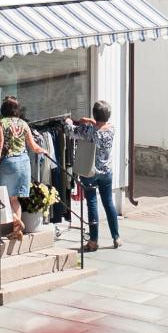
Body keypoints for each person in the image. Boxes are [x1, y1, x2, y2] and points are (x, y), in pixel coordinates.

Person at [0, 96, 47, 239]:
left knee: (4, 197)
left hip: (9, 162)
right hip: (24, 162)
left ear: (4, 109)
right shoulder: (24, 124)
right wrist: (43, 150)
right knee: (15, 199)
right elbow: (33, 146)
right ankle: (17, 231)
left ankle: (16, 220)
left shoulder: (1, 123)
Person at [70, 101, 120, 251]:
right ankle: (116, 237)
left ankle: (93, 241)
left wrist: (68, 121)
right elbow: (99, 126)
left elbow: (71, 131)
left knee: (92, 203)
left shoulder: (88, 130)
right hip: (106, 172)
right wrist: (91, 121)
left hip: (90, 172)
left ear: (94, 114)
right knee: (108, 203)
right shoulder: (111, 129)